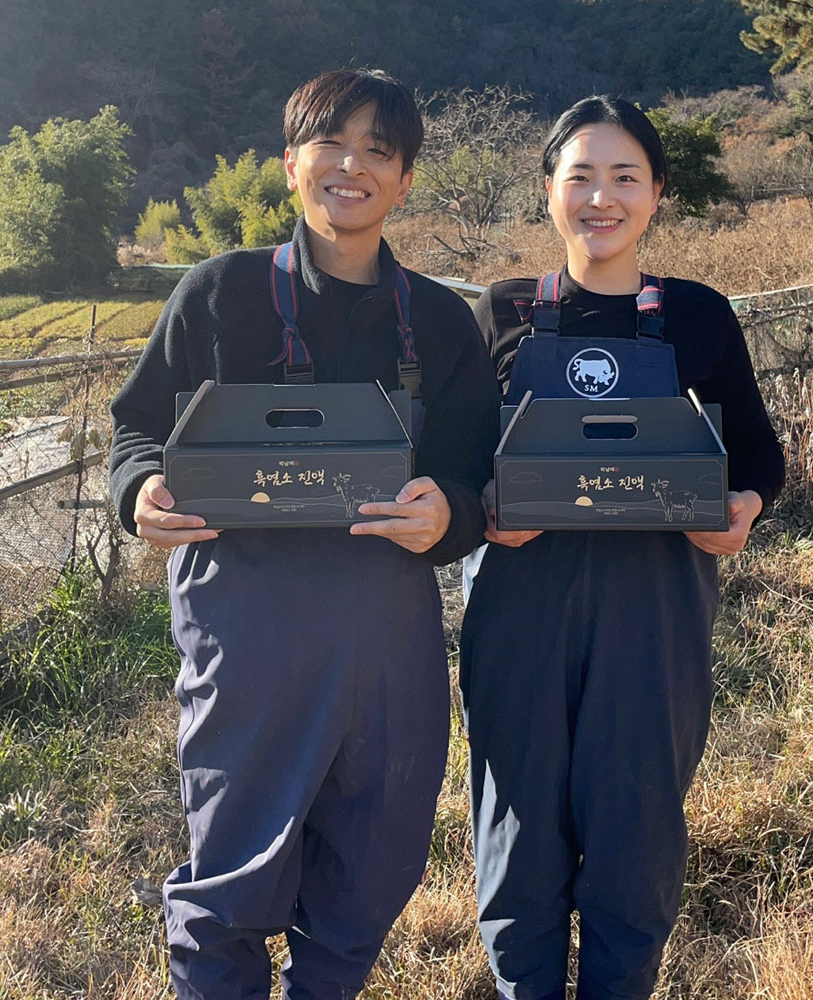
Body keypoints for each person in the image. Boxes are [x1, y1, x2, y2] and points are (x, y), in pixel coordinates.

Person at [109, 68, 500, 1000]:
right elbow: (135, 430)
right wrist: (141, 491)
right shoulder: (220, 294)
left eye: (379, 151)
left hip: (387, 621)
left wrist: (448, 511)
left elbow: (479, 471)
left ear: (404, 182)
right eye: (332, 144)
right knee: (235, 854)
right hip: (244, 618)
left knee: (380, 848)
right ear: (291, 166)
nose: (352, 166)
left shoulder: (440, 321)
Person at [459, 96, 785, 1000]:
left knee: (636, 818)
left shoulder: (698, 316)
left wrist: (745, 505)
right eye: (581, 176)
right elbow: (449, 460)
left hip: (656, 604)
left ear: (656, 196)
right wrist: (482, 502)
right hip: (522, 594)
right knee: (518, 820)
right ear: (551, 192)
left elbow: (758, 457)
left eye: (624, 177)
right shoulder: (500, 311)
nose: (601, 196)